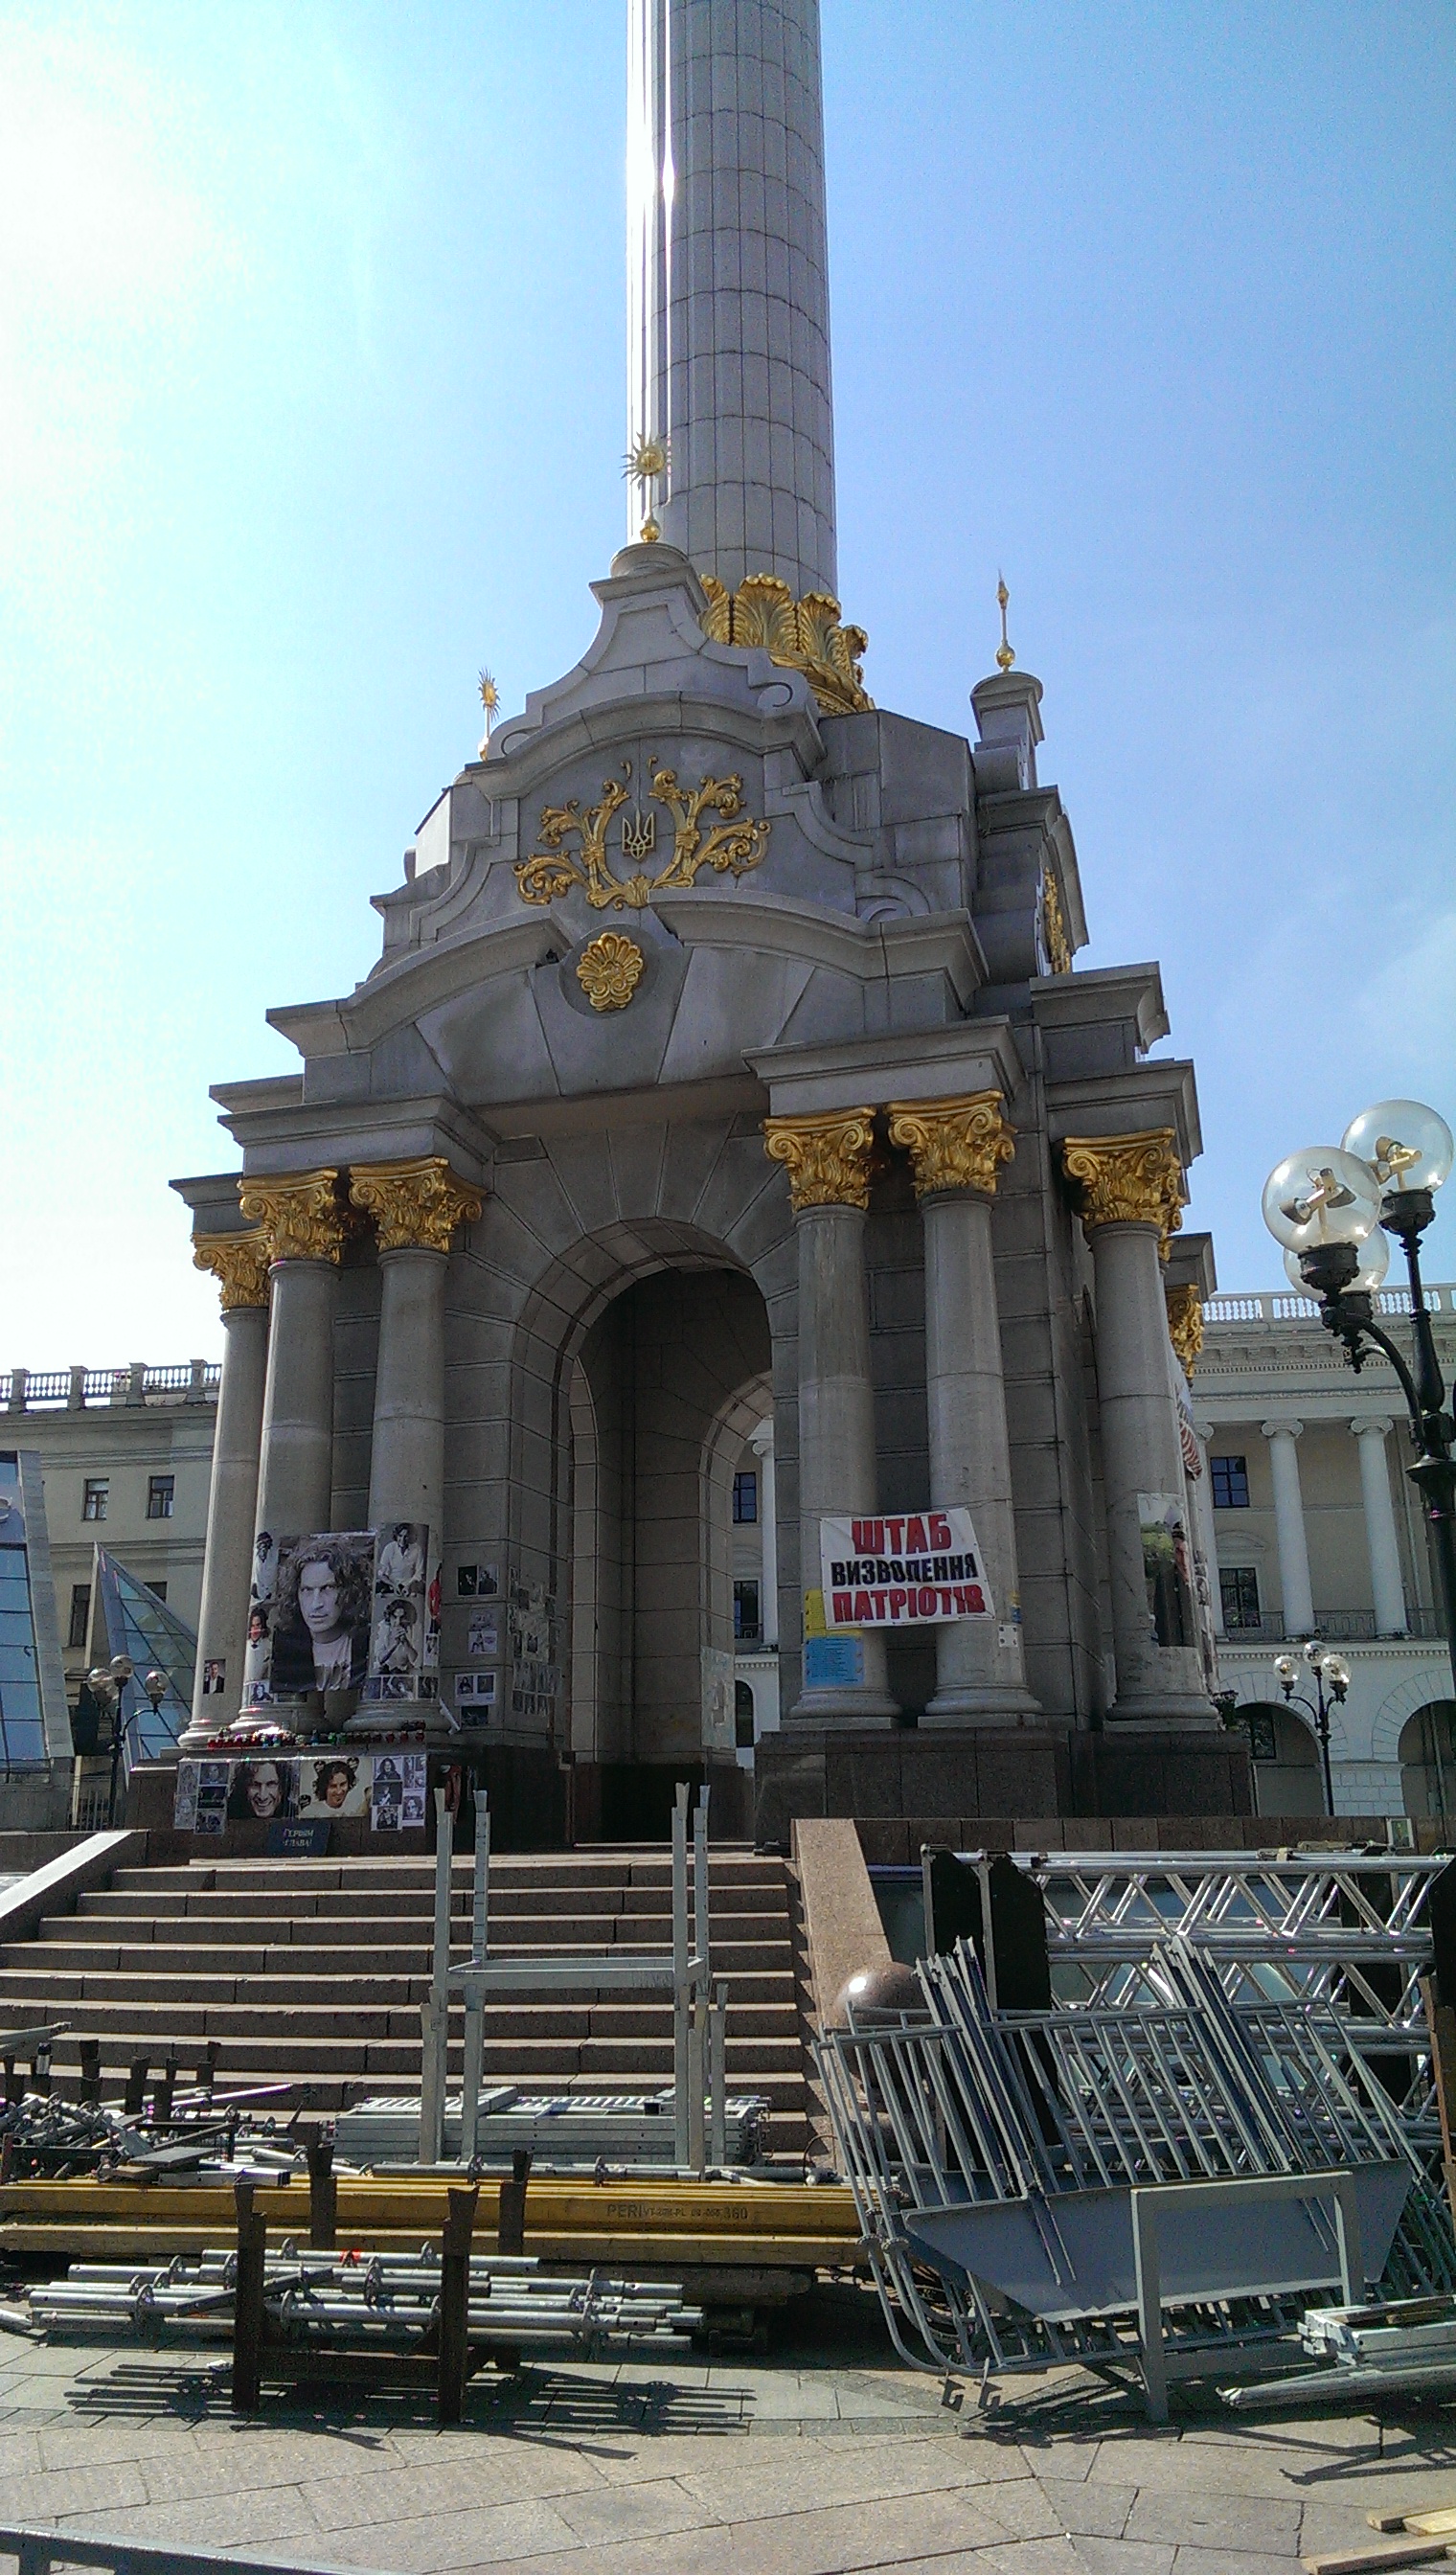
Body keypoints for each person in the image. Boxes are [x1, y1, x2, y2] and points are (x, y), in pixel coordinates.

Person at [267, 1541, 372, 1696]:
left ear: (349, 1590)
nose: (316, 1604)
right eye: (307, 1590)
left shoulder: (368, 1642)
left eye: (328, 1588)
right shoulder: (282, 1651)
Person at [227, 1759, 294, 1821]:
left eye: (271, 1784)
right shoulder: (228, 1813)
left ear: (282, 1788)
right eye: (255, 1785)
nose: (262, 1797)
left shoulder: (294, 1814)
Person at [372, 1595, 419, 1679]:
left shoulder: (413, 1630)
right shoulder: (383, 1629)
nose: (398, 1622)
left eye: (402, 1618)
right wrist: (394, 1644)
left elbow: (415, 1660)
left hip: (406, 1676)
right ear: (389, 1617)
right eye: (395, 1617)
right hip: (385, 1675)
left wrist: (405, 1642)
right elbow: (380, 1659)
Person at [375, 1523, 423, 1595]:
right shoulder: (389, 1548)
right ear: (396, 1536)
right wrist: (393, 1585)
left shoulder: (417, 1549)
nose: (402, 1540)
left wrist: (409, 1585)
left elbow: (419, 1572)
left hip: (410, 1585)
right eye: (400, 1536)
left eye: (406, 1536)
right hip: (391, 1585)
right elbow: (381, 1573)